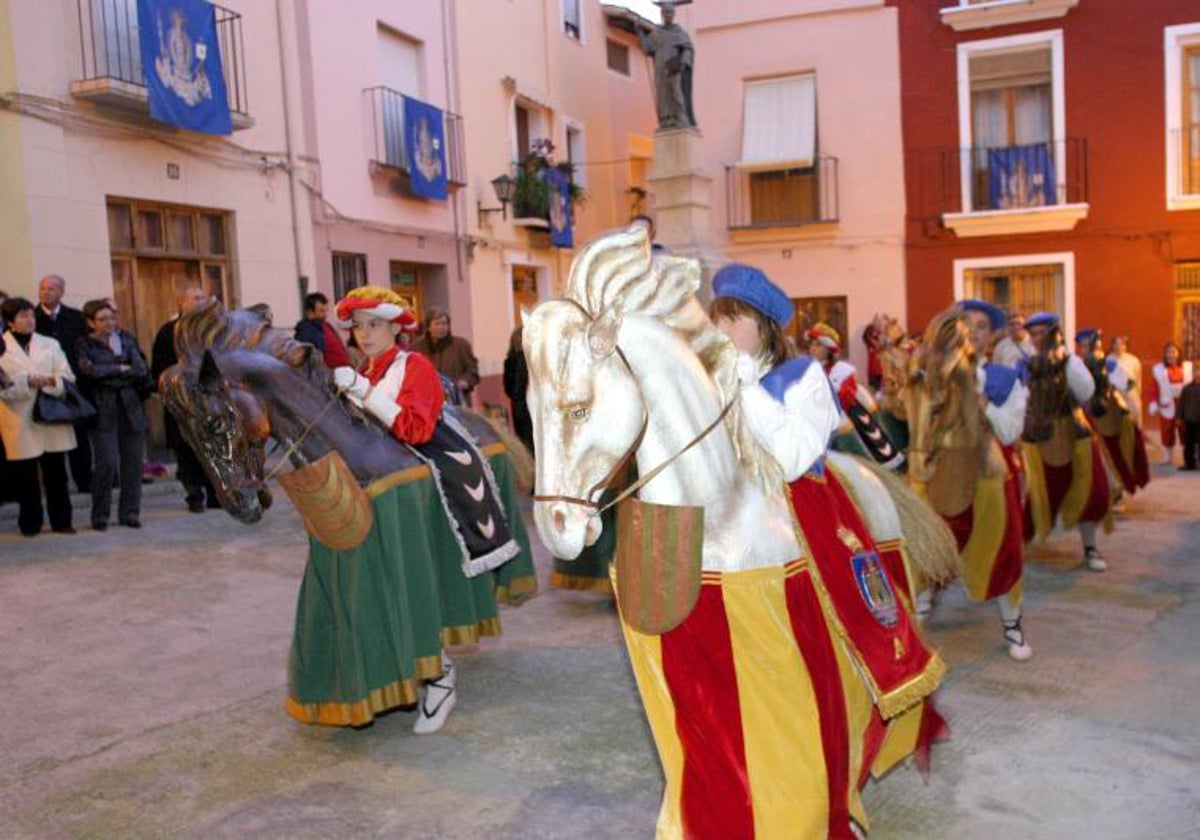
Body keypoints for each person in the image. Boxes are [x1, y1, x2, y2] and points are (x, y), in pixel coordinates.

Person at [329, 287, 455, 733]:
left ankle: (439, 673)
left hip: (413, 482)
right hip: (374, 482)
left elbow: (416, 429)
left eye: (374, 325)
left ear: (395, 327)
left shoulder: (413, 365)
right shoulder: (364, 368)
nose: (364, 335)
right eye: (358, 327)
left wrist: (364, 391)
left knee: (409, 577)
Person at [952, 299, 1033, 659]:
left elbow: (1012, 429)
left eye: (981, 325)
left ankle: (1012, 624)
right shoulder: (939, 373)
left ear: (991, 335)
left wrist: (984, 403)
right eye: (965, 323)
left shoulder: (1005, 379)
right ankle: (920, 612)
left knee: (1003, 545)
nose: (972, 330)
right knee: (930, 542)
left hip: (993, 473)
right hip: (948, 471)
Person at [1022, 312, 1111, 571]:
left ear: (1053, 333)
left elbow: (1086, 391)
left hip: (1074, 434)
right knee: (1039, 492)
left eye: (1041, 333)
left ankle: (1090, 547)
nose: (1037, 338)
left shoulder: (1069, 360)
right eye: (1033, 333)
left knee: (1089, 491)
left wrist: (1066, 364)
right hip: (1040, 436)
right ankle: (1019, 547)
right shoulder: (1027, 363)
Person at [0, 297, 77, 536]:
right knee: (26, 476)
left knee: (57, 473)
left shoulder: (50, 343)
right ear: (10, 322)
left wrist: (50, 381)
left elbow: (67, 376)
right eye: (23, 316)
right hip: (19, 416)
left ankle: (62, 521)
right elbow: (4, 387)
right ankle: (30, 523)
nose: (29, 320)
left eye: (31, 315)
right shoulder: (2, 348)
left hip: (51, 414)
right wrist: (27, 382)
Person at [76, 299, 151, 530]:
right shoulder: (84, 344)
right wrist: (119, 367)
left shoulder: (127, 338)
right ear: (91, 322)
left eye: (112, 317)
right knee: (106, 463)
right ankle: (100, 514)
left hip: (130, 408)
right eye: (102, 319)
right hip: (102, 409)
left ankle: (130, 512)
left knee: (133, 464)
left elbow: (140, 370)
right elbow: (89, 371)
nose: (109, 322)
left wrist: (111, 373)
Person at [152, 286, 221, 513]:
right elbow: (159, 369)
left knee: (213, 448)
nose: (201, 301)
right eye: (195, 298)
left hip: (210, 400)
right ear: (182, 303)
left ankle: (215, 494)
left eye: (203, 297)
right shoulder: (168, 332)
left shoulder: (213, 330)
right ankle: (194, 495)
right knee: (187, 450)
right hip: (182, 401)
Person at [808, 321, 905, 470]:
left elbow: (845, 394)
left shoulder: (840, 370)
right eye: (812, 344)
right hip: (818, 414)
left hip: (843, 413)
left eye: (818, 345)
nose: (812, 348)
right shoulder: (810, 370)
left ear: (829, 350)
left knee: (846, 430)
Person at [35, 274, 91, 493]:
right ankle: (54, 485)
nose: (46, 292)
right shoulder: (33, 317)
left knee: (79, 436)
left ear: (61, 292)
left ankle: (84, 481)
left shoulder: (76, 318)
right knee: (50, 436)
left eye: (51, 289)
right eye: (42, 288)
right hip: (45, 387)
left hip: (75, 386)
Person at [636, 1, 695, 130]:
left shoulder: (679, 32)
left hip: (674, 66)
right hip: (660, 68)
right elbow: (648, 49)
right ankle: (666, 120)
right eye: (666, 12)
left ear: (674, 14)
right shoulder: (656, 34)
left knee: (676, 91)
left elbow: (688, 47)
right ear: (662, 14)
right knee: (662, 94)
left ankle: (681, 118)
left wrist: (684, 61)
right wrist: (640, 33)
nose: (668, 15)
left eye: (671, 12)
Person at [412, 308, 479, 407]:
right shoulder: (417, 346)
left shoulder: (461, 345)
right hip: (428, 402)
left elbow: (472, 369)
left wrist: (465, 381)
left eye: (444, 324)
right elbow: (412, 370)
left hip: (456, 401)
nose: (441, 327)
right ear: (429, 327)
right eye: (437, 324)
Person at [1147, 342, 1193, 466]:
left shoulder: (1188, 368)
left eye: (1173, 351)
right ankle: (1168, 457)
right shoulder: (1159, 370)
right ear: (1165, 355)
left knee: (1186, 431)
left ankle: (1188, 457)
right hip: (1167, 405)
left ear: (1178, 353)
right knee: (1167, 431)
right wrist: (1153, 402)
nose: (1171, 354)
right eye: (1169, 352)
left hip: (1184, 406)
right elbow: (1153, 388)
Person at [294, 292, 351, 370]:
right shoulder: (305, 331)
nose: (325, 314)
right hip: (329, 376)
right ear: (310, 312)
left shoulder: (326, 325)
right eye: (321, 311)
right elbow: (307, 361)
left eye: (325, 310)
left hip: (343, 371)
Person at [502, 324, 534, 456]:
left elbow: (508, 388)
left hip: (522, 406)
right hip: (522, 407)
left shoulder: (514, 360)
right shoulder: (514, 361)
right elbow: (509, 388)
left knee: (527, 442)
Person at [1108, 334, 1143, 422]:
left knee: (1133, 422)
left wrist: (1136, 396)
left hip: (1131, 396)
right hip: (1115, 396)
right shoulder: (1107, 360)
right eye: (1116, 344)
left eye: (1122, 344)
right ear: (1112, 345)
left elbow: (1138, 380)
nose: (1119, 347)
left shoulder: (1134, 361)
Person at [1180, 366, 1200, 471]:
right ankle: (1189, 463)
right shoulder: (1187, 388)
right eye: (1195, 371)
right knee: (1188, 443)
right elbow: (1181, 404)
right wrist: (1179, 416)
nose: (1197, 374)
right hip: (1189, 420)